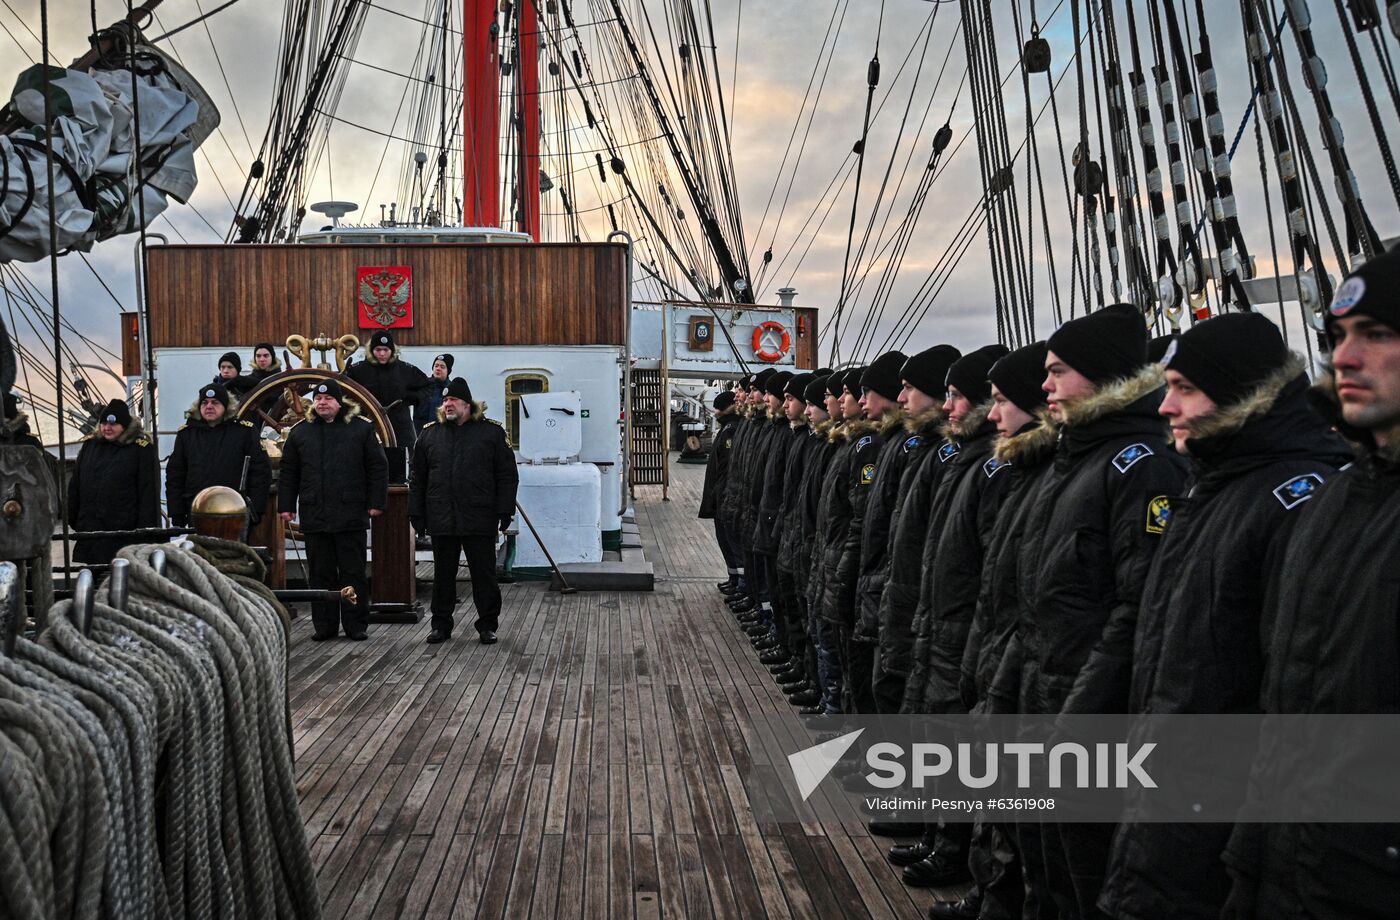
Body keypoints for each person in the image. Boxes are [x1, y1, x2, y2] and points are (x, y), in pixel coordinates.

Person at [1094, 313, 1350, 920]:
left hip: (1220, 813)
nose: (1164, 405)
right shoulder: (1211, 488)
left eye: (1183, 387)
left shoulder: (1294, 498)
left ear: (1241, 394)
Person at [1221, 251, 1400, 919]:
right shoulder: (1340, 498)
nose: (1344, 359)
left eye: (1378, 334)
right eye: (1340, 336)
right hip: (1296, 861)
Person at [1013, 303, 1189, 919]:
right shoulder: (1072, 462)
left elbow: (1137, 608)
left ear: (1101, 376)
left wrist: (1078, 715)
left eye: (1058, 371)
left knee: (1087, 873)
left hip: (1090, 717)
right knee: (1047, 861)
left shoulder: (1140, 468)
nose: (1045, 386)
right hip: (1045, 696)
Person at [411, 377, 519, 645]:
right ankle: (441, 625)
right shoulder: (429, 434)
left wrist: (505, 510)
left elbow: (506, 475)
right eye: (445, 400)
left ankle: (487, 625)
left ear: (467, 405)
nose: (447, 404)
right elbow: (418, 479)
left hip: (479, 516)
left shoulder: (491, 434)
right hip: (442, 516)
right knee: (443, 575)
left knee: (483, 574)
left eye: (453, 400)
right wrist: (417, 514)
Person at [279, 379, 388, 641]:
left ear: (339, 403)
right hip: (315, 513)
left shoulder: (361, 430)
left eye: (328, 399)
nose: (322, 403)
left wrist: (376, 502)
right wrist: (286, 505)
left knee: (353, 572)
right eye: (318, 399)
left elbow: (377, 467)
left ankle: (355, 625)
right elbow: (289, 472)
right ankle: (324, 626)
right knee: (320, 573)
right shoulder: (300, 433)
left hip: (350, 513)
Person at [165, 383, 271, 528]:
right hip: (197, 510)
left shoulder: (244, 432)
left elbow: (260, 472)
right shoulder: (187, 435)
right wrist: (176, 512)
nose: (209, 406)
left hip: (234, 511)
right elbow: (175, 475)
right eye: (205, 402)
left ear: (226, 406)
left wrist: (256, 509)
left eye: (215, 403)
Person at [67, 398, 159, 563]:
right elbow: (76, 485)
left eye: (113, 424)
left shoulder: (141, 449)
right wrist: (73, 518)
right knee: (93, 581)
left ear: (124, 426)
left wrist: (145, 534)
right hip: (92, 532)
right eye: (104, 424)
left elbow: (148, 493)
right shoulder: (90, 447)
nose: (107, 428)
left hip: (124, 534)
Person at [344, 330, 430, 455]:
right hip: (368, 427)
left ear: (392, 351)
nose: (382, 354)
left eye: (386, 350)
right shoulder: (358, 371)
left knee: (402, 467)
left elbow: (428, 386)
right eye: (378, 350)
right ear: (371, 350)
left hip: (400, 429)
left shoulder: (405, 370)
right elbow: (344, 392)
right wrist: (356, 409)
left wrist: (411, 398)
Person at [700, 388, 743, 592]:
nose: (715, 412)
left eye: (718, 408)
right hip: (721, 494)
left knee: (731, 541)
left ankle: (739, 582)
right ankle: (733, 577)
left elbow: (727, 467)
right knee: (725, 541)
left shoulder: (731, 430)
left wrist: (721, 494)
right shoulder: (727, 428)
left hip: (725, 495)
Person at [414, 353, 454, 429]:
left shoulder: (452, 390)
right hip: (421, 435)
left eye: (442, 367)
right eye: (436, 366)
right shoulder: (422, 386)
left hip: (443, 435)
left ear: (448, 371)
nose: (438, 368)